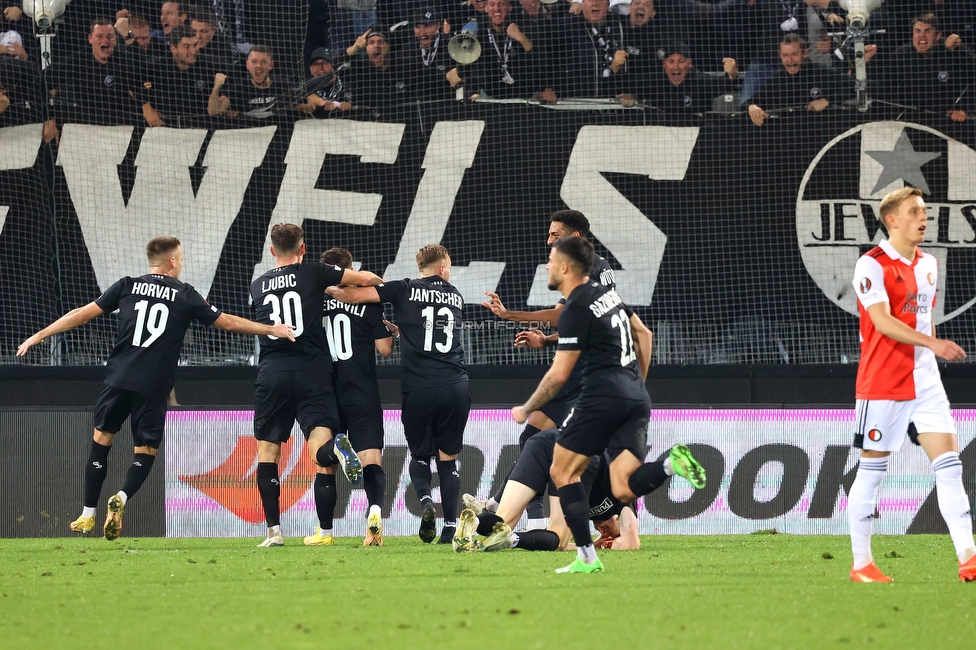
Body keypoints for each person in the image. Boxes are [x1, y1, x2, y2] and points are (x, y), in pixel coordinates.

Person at [16, 237, 297, 540]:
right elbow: (227, 323)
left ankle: (87, 514)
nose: (183, 262)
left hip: (119, 378)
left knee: (101, 439)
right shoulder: (185, 294)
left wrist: (41, 334)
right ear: (173, 262)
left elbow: (83, 313)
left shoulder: (127, 285)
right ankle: (121, 497)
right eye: (182, 258)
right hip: (153, 384)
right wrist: (271, 328)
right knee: (145, 450)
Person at [512, 236, 705, 574]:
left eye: (551, 259)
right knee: (622, 487)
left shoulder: (575, 307)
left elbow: (558, 376)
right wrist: (636, 384)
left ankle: (586, 557)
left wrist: (526, 409)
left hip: (601, 399)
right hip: (635, 398)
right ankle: (671, 465)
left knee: (560, 470)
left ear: (565, 267)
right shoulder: (608, 296)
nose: (546, 265)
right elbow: (643, 333)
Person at [847, 187, 976, 583]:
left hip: (926, 381)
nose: (925, 217)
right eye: (915, 211)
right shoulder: (871, 265)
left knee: (950, 467)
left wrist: (930, 349)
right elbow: (883, 322)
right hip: (884, 381)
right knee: (872, 470)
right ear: (892, 220)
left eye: (925, 211)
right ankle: (862, 564)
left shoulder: (930, 264)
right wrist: (934, 344)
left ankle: (968, 556)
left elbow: (924, 319)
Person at [249, 224, 384, 548]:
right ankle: (336, 448)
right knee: (319, 449)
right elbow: (369, 280)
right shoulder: (313, 273)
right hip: (314, 374)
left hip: (273, 373)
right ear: (303, 249)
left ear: (271, 251)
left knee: (268, 454)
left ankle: (275, 533)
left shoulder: (257, 285)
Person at [326, 244, 470, 545]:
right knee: (448, 459)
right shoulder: (456, 296)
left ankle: (427, 502)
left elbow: (357, 294)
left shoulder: (404, 289)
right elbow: (427, 327)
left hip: (418, 388)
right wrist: (397, 327)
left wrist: (334, 291)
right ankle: (451, 527)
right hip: (455, 384)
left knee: (419, 456)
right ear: (443, 269)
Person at [480, 209, 615, 529]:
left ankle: (535, 520)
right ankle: (505, 507)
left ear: (576, 237)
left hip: (584, 375)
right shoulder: (599, 267)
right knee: (532, 437)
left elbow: (563, 316)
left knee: (565, 454)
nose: (548, 240)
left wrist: (510, 315)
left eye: (555, 235)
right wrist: (548, 340)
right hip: (585, 366)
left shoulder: (589, 269)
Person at [456, 428, 642, 552]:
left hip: (544, 441)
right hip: (577, 452)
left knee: (503, 522)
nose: (606, 534)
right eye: (613, 532)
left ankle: (473, 523)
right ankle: (513, 539)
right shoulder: (624, 494)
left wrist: (593, 544)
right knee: (558, 540)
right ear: (619, 521)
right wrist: (613, 543)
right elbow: (632, 543)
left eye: (605, 536)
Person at [320, 247, 395, 547]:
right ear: (350, 269)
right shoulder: (369, 301)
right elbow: (385, 349)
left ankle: (325, 533)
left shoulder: (316, 301)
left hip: (327, 392)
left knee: (325, 464)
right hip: (362, 391)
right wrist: (389, 330)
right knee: (371, 459)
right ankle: (374, 514)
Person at [43, 18, 143, 143]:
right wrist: (49, 118)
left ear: (116, 40)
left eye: (110, 36)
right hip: (86, 126)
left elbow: (144, 70)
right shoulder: (78, 61)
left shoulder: (123, 60)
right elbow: (41, 82)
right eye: (99, 36)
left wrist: (129, 36)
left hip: (121, 125)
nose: (105, 41)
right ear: (90, 38)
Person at [873, 13, 975, 123]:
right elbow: (883, 91)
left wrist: (965, 109)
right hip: (910, 123)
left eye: (927, 31)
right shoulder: (900, 56)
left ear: (938, 35)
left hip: (949, 122)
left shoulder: (952, 51)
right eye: (917, 31)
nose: (922, 35)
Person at [747, 34, 852, 127]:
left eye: (794, 54)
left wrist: (828, 100)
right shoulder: (776, 81)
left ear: (805, 53)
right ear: (780, 55)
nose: (790, 60)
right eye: (785, 55)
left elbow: (853, 85)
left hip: (821, 131)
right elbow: (751, 103)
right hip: (788, 135)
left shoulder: (822, 72)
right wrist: (751, 106)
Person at [139, 25, 213, 127]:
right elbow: (132, 83)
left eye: (195, 45)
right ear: (174, 48)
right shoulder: (156, 68)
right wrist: (145, 107)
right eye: (187, 47)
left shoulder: (208, 67)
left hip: (199, 127)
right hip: (163, 128)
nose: (193, 51)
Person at [209, 45, 300, 120]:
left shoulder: (284, 86)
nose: (258, 66)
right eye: (254, 61)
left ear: (271, 65)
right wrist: (216, 87)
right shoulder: (239, 89)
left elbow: (300, 106)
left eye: (264, 62)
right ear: (247, 65)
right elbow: (213, 111)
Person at [390, 8, 456, 102]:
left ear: (438, 25)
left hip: (449, 105)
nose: (422, 32)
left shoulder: (452, 46)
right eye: (417, 27)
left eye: (426, 26)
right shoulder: (407, 51)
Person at [344, 26, 413, 107]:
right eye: (371, 42)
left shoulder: (404, 68)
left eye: (381, 42)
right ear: (366, 48)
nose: (376, 46)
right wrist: (354, 48)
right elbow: (333, 66)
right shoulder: (358, 70)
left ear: (388, 46)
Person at [300, 47, 353, 115]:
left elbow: (349, 105)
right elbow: (311, 97)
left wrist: (344, 105)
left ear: (333, 66)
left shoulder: (344, 86)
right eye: (316, 64)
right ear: (311, 68)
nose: (321, 68)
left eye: (325, 63)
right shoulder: (306, 84)